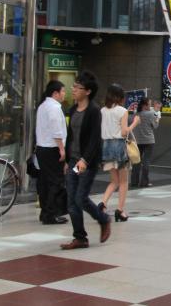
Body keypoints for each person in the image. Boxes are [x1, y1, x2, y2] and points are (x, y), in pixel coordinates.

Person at [60, 71, 112, 250]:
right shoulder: (73, 109)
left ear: (88, 91)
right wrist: (68, 160)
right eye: (73, 86)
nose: (73, 90)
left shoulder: (94, 111)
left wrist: (85, 160)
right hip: (74, 161)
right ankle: (80, 238)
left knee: (80, 198)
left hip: (87, 163)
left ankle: (103, 219)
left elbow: (95, 140)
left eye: (77, 87)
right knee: (71, 201)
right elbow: (71, 136)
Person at [99, 84, 141, 222]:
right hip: (118, 146)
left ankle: (103, 203)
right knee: (123, 182)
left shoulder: (103, 111)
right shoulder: (122, 111)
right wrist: (135, 123)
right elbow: (124, 132)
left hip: (106, 146)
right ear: (120, 96)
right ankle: (120, 211)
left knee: (114, 181)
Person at [35, 80, 68, 225]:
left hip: (42, 148)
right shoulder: (54, 108)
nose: (64, 94)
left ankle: (45, 212)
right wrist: (62, 149)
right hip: (52, 149)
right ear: (55, 93)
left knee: (45, 181)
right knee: (56, 182)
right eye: (63, 91)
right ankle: (50, 214)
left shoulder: (43, 106)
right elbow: (57, 131)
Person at [130, 98, 160, 188]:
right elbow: (155, 126)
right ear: (145, 105)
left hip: (137, 141)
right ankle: (144, 182)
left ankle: (134, 182)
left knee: (136, 161)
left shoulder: (136, 113)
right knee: (146, 162)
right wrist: (157, 119)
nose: (150, 106)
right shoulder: (151, 114)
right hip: (149, 141)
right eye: (149, 104)